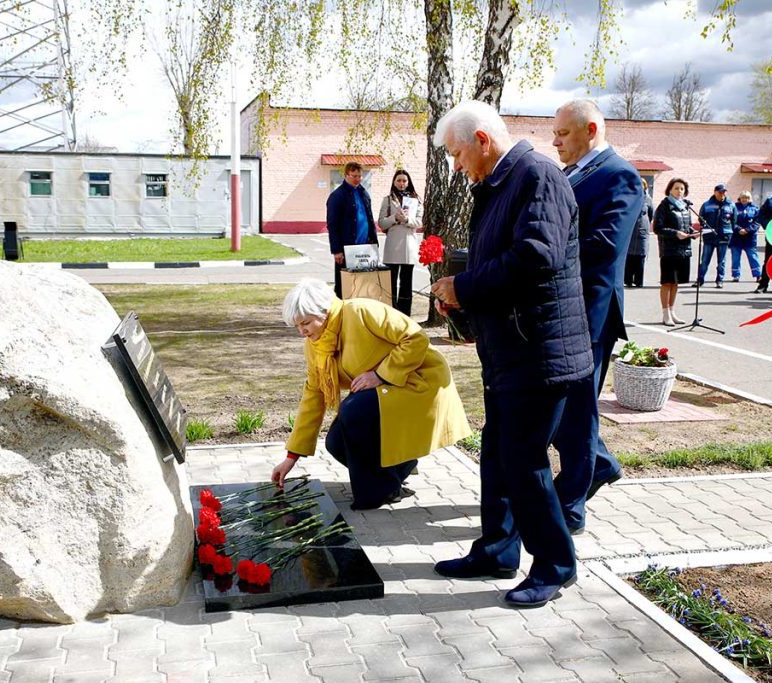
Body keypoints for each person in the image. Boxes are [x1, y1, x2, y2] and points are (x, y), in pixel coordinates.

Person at [429, 100, 593, 608]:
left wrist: (464, 288)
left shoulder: (536, 175)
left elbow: (535, 257)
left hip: (540, 351)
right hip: (511, 350)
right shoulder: (503, 181)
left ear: (482, 140)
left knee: (524, 463)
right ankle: (498, 549)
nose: (457, 168)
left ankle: (556, 564)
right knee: (498, 456)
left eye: (458, 154)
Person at [271, 278, 470, 510]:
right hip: (386, 391)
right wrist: (291, 456)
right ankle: (395, 473)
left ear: (324, 312)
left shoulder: (360, 311)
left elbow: (416, 338)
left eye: (305, 323)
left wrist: (381, 375)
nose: (302, 332)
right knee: (335, 441)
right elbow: (314, 394)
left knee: (353, 411)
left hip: (419, 381)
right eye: (297, 326)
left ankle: (374, 494)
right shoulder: (315, 344)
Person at [548, 99, 644, 533]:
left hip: (590, 310)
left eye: (563, 134)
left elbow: (606, 245)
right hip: (561, 309)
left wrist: (544, 253)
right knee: (567, 409)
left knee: (577, 409)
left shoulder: (619, 175)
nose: (555, 142)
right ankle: (599, 464)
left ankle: (570, 505)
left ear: (590, 129)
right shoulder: (573, 173)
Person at [326, 162, 379, 298]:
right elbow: (332, 224)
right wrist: (336, 250)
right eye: (354, 176)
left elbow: (369, 217)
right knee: (344, 284)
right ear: (346, 175)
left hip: (365, 246)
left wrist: (374, 241)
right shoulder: (337, 196)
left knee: (364, 284)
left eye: (360, 176)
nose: (358, 179)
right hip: (346, 248)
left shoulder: (363, 193)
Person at [654, 178, 700, 325]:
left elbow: (686, 226)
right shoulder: (664, 205)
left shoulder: (685, 206)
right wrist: (675, 233)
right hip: (669, 249)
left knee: (676, 283)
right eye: (676, 188)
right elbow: (658, 228)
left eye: (682, 189)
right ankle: (665, 313)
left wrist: (693, 232)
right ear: (669, 190)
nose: (679, 191)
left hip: (683, 249)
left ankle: (672, 311)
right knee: (667, 282)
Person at [377, 169, 423, 316]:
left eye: (404, 181)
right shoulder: (388, 199)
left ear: (408, 182)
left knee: (406, 283)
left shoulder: (416, 199)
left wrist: (407, 220)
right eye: (399, 180)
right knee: (391, 283)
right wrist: (395, 218)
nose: (402, 184)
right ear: (394, 182)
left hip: (408, 246)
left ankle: (405, 315)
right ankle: (391, 314)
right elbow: (382, 223)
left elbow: (419, 222)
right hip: (392, 246)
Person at [695, 183, 736, 288]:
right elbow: (701, 217)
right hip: (709, 236)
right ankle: (700, 280)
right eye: (720, 192)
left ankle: (719, 280)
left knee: (721, 261)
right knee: (704, 260)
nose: (722, 194)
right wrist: (705, 226)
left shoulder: (731, 205)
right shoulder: (707, 204)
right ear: (715, 192)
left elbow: (734, 221)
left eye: (723, 192)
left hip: (724, 236)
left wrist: (730, 233)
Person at [624, 179, 652, 288]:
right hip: (630, 230)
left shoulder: (648, 200)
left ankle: (639, 281)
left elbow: (651, 214)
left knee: (640, 257)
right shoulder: (629, 197)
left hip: (642, 232)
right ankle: (628, 280)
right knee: (629, 256)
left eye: (642, 185)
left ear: (645, 187)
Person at [730, 190, 762, 283]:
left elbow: (757, 222)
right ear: (740, 198)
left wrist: (747, 230)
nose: (745, 199)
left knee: (753, 256)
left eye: (747, 198)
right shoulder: (734, 207)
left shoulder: (755, 208)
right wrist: (739, 229)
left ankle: (758, 275)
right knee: (735, 257)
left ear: (750, 199)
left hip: (750, 237)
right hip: (737, 236)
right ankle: (736, 275)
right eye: (743, 197)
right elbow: (731, 221)